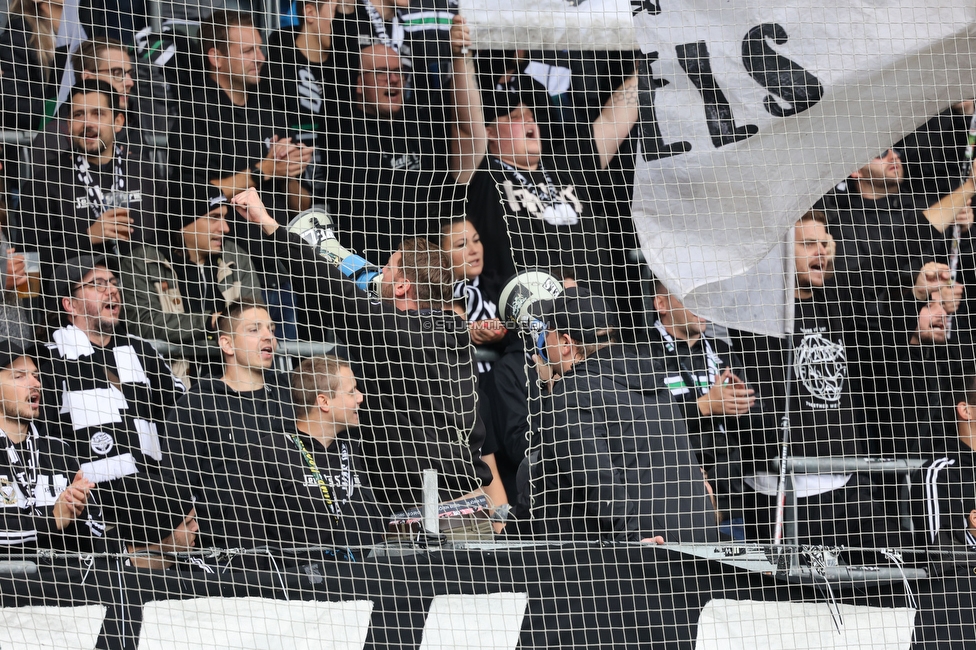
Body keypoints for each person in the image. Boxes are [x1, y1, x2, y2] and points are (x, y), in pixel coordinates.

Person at [232, 188, 492, 516]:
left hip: (425, 509)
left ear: (401, 286)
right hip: (468, 500)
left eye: (385, 269)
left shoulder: (393, 329)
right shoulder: (454, 331)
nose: (376, 275)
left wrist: (268, 222)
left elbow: (328, 284)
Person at [732, 211, 892, 548]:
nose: (822, 251)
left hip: (847, 478)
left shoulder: (835, 300)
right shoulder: (756, 311)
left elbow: (887, 255)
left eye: (825, 243)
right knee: (795, 596)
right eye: (808, 244)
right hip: (784, 490)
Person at [530, 286, 719, 544]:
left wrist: (630, 540)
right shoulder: (650, 374)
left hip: (649, 555)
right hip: (701, 543)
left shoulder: (572, 392)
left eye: (548, 332)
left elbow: (598, 481)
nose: (543, 340)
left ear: (565, 343)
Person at [40, 255, 191, 549]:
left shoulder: (140, 348)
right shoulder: (49, 358)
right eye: (97, 285)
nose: (112, 291)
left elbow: (181, 410)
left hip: (158, 494)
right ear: (69, 305)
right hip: (93, 505)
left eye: (113, 283)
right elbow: (46, 436)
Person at [464, 72, 638, 306]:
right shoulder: (484, 175)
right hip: (533, 325)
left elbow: (611, 120)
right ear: (490, 133)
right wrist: (460, 57)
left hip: (598, 320)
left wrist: (647, 61)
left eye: (530, 116)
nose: (529, 121)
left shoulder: (566, 163)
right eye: (516, 117)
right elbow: (465, 127)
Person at [323, 16, 486, 264]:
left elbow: (468, 131)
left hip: (431, 269)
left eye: (398, 71)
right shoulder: (339, 128)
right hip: (374, 273)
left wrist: (459, 56)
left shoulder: (419, 120)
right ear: (357, 83)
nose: (394, 79)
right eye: (381, 73)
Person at [163, 298, 295, 551]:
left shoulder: (289, 394)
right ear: (226, 343)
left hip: (291, 547)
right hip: (225, 552)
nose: (268, 337)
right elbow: (177, 484)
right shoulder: (196, 404)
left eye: (272, 329)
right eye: (254, 330)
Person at [170, 9, 313, 222]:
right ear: (216, 58)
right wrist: (263, 170)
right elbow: (193, 198)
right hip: (229, 248)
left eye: (259, 48)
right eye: (248, 51)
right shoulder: (195, 113)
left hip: (279, 246)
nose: (260, 58)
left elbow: (301, 206)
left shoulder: (272, 109)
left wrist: (287, 170)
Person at [247, 355, 386, 562]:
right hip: (300, 584)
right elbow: (248, 536)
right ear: (324, 401)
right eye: (351, 392)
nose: (360, 398)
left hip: (362, 581)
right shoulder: (271, 451)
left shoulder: (355, 448)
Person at [646, 279, 755, 529]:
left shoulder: (722, 351)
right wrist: (704, 406)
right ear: (661, 304)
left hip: (731, 499)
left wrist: (741, 405)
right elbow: (644, 422)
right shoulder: (642, 351)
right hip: (673, 503)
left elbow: (755, 419)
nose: (702, 306)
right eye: (690, 299)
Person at [19, 80, 163, 266]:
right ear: (69, 124)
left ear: (118, 122)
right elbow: (31, 262)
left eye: (98, 114)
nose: (87, 124)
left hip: (142, 291)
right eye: (79, 115)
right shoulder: (44, 184)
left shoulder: (145, 174)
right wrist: (87, 238)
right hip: (76, 293)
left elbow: (166, 241)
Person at [118, 182, 262, 350]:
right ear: (184, 223)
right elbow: (142, 323)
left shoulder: (236, 258)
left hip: (231, 372)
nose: (225, 228)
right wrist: (209, 322)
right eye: (214, 217)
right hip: (173, 372)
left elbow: (257, 319)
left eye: (224, 217)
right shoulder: (143, 262)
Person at [0, 339, 108, 553]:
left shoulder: (58, 450)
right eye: (19, 376)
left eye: (35, 375)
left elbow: (98, 528)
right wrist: (54, 520)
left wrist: (75, 510)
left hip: (66, 581)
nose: (35, 384)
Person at [263, 0, 352, 201]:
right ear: (310, 12)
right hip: (294, 195)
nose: (344, 24)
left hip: (344, 194)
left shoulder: (346, 67)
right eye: (337, 12)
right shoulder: (276, 68)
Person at [439, 217, 504, 373]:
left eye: (476, 240)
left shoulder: (501, 287)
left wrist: (503, 332)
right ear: (439, 255)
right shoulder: (428, 297)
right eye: (462, 244)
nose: (474, 250)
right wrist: (465, 331)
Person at [0, 0, 69, 131]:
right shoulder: (17, 39)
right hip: (40, 143)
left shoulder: (88, 31)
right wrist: (70, 110)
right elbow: (12, 106)